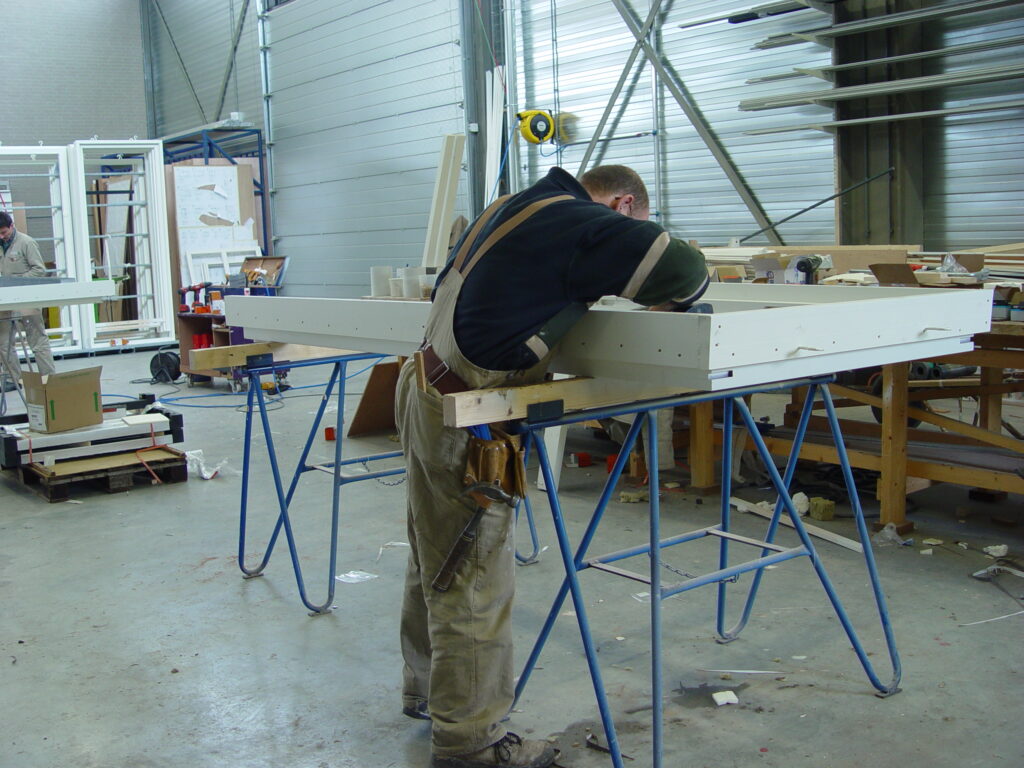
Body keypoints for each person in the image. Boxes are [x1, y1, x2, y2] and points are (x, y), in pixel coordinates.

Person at [394, 165, 709, 768]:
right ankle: (471, 742)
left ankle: (429, 693)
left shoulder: (514, 206)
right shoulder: (577, 221)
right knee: (472, 572)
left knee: (436, 551)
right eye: (634, 218)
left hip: (428, 386)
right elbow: (685, 271)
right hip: (470, 412)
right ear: (623, 205)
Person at [0, 211, 56, 391]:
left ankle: (49, 377)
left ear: (12, 226)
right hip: (5, 301)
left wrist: (16, 281)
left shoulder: (26, 243)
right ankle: (12, 379)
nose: (1, 236)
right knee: (4, 342)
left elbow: (39, 270)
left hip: (27, 299)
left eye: (3, 232)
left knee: (37, 340)